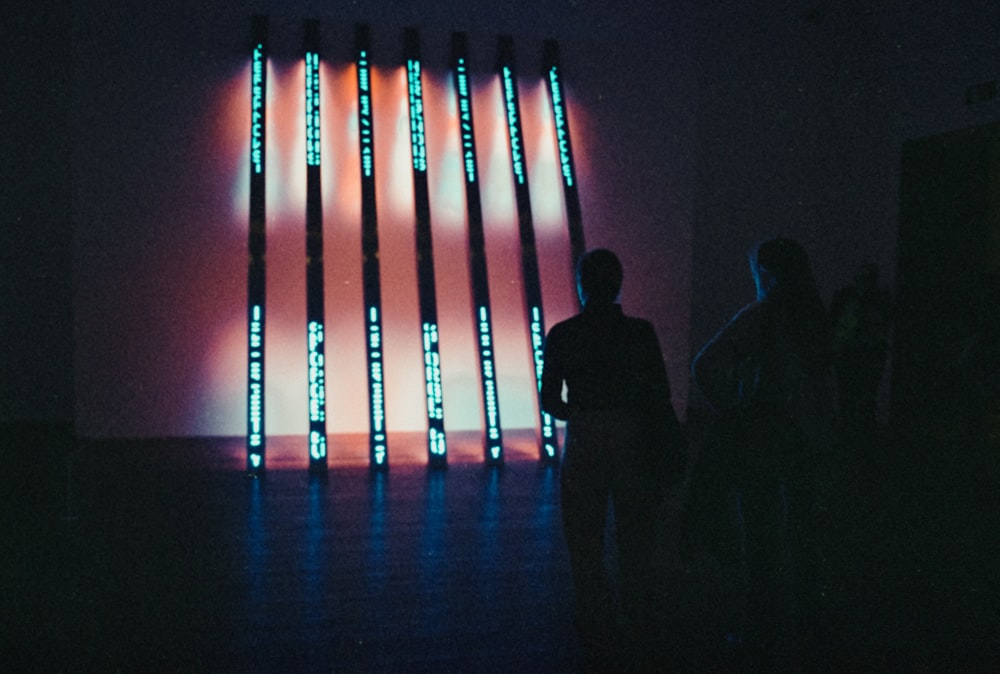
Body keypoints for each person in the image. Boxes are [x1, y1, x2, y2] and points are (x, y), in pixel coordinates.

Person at [691, 237, 835, 669]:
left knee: (761, 534)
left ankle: (760, 633)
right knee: (804, 531)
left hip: (763, 436)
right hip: (807, 439)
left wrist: (733, 409)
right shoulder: (816, 316)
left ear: (766, 274)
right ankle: (808, 624)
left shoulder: (761, 315)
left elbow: (705, 364)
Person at [541, 248, 684, 671]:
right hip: (631, 435)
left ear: (583, 284)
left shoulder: (563, 334)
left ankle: (594, 618)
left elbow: (551, 400)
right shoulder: (640, 332)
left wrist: (580, 413)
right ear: (619, 283)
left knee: (584, 534)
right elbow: (658, 391)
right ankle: (637, 615)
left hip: (585, 436)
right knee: (634, 530)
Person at [829, 261, 891, 442]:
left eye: (867, 279)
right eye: (861, 278)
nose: (863, 283)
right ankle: (853, 439)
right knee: (847, 399)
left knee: (865, 399)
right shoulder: (845, 298)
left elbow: (881, 330)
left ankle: (862, 439)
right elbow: (835, 325)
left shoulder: (880, 301)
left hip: (868, 355)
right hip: (848, 354)